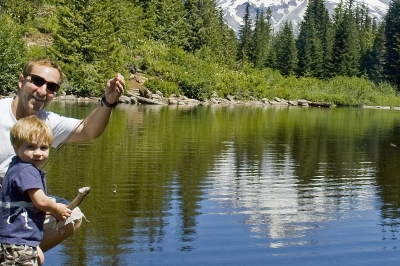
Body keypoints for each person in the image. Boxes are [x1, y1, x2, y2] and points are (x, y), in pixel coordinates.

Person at [0, 58, 125, 252]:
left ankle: (23, 255)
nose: (42, 91)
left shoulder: (46, 122)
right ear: (21, 81)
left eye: (51, 87)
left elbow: (89, 129)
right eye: (37, 81)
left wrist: (108, 101)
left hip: (20, 204)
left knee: (71, 217)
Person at [0, 115, 72, 265]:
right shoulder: (27, 170)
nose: (38, 152)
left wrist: (34, 245)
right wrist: (56, 208)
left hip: (9, 239)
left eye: (44, 147)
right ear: (16, 147)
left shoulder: (15, 166)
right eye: (31, 147)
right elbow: (40, 200)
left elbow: (24, 203)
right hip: (18, 242)